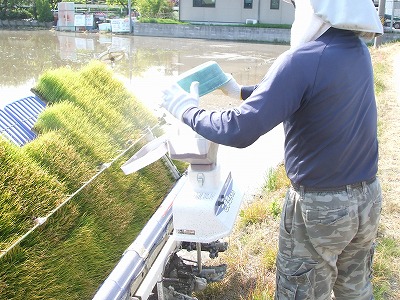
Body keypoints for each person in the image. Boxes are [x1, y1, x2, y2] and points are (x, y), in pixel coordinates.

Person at [160, 0, 383, 299]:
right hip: (367, 198)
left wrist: (187, 110)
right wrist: (239, 91)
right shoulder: (357, 51)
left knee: (300, 292)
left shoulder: (302, 60)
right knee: (355, 288)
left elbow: (240, 129)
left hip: (320, 206)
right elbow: (304, 89)